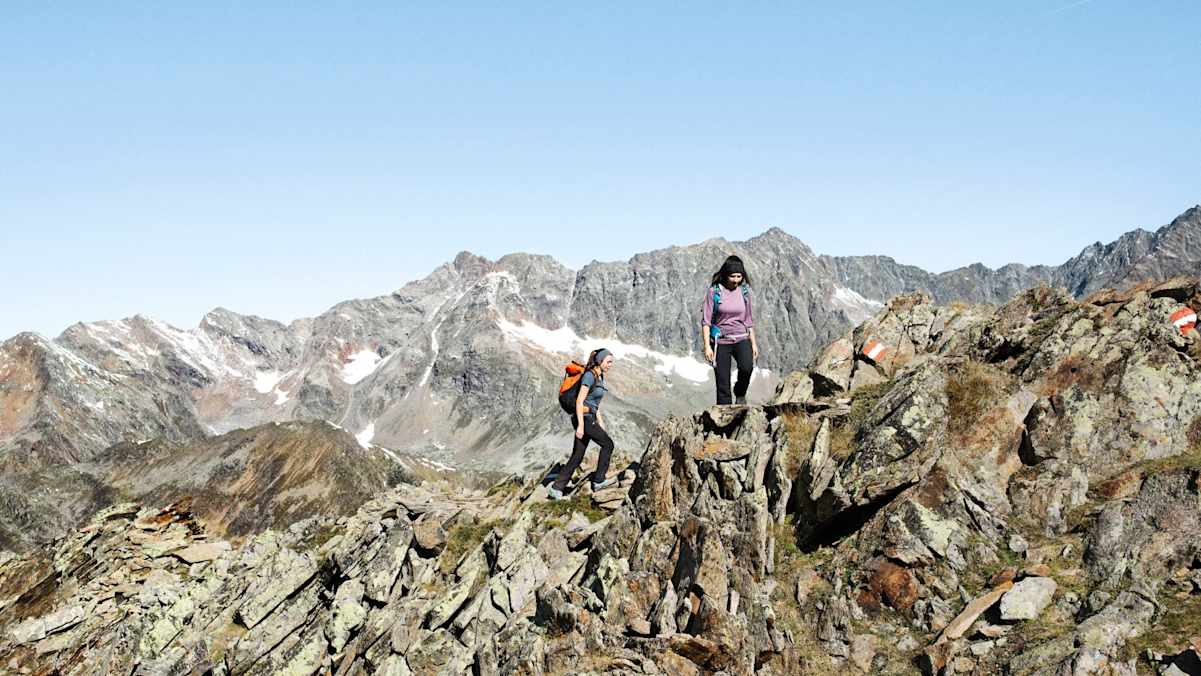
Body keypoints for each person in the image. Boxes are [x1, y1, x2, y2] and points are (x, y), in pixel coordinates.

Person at [549, 348, 618, 500]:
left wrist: (601, 421)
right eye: (608, 362)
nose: (610, 365)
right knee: (608, 445)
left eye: (611, 362)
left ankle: (556, 488)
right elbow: (580, 401)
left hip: (589, 416)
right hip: (584, 418)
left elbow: (594, 403)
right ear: (600, 361)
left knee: (577, 455)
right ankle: (599, 480)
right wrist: (580, 425)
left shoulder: (600, 377)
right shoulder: (589, 376)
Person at [701, 255, 759, 405]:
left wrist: (753, 344)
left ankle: (740, 393)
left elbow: (748, 320)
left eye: (739, 276)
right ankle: (724, 418)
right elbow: (706, 322)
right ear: (726, 275)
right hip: (721, 341)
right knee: (722, 382)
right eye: (732, 276)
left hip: (741, 338)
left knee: (747, 367)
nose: (735, 280)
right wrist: (707, 346)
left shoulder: (744, 292)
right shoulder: (714, 292)